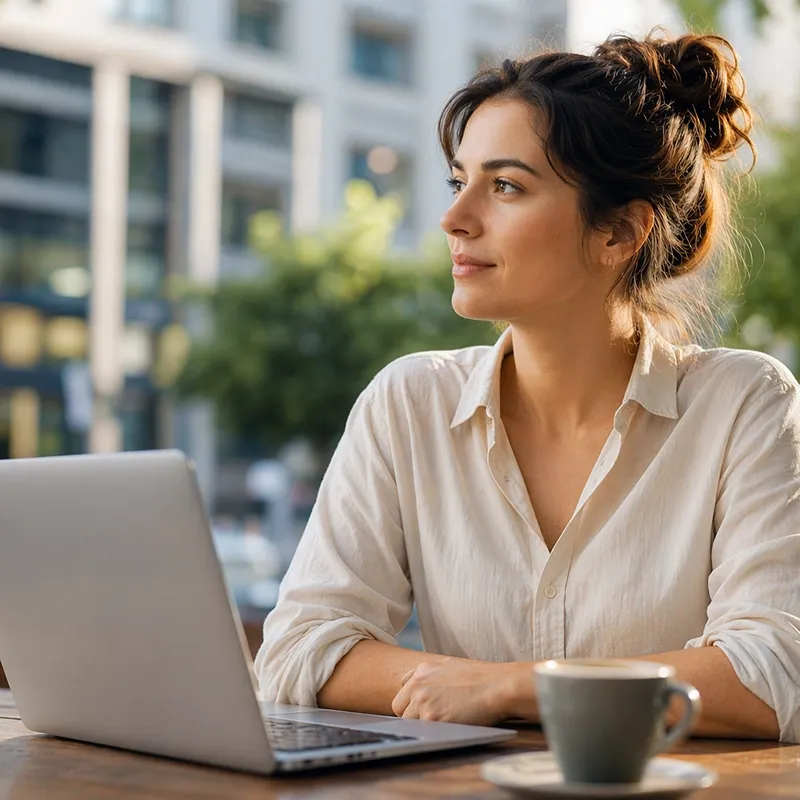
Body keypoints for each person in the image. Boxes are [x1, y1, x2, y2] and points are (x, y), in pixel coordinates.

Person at [255, 30, 800, 743]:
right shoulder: (408, 403)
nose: (454, 219)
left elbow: (771, 674)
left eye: (505, 186)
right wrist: (458, 688)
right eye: (460, 182)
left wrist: (510, 685)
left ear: (618, 233)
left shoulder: (744, 405)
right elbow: (297, 651)